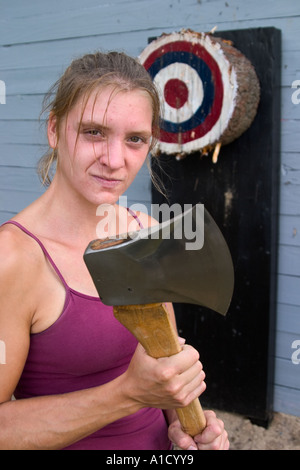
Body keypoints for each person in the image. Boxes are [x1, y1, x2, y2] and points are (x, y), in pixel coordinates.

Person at [0, 51, 229, 450]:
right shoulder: (14, 258)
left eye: (135, 139)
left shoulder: (149, 235)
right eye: (93, 132)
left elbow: (163, 363)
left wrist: (186, 427)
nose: (114, 160)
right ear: (55, 130)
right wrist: (127, 394)